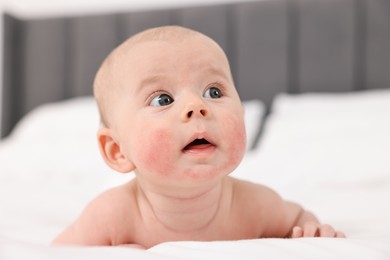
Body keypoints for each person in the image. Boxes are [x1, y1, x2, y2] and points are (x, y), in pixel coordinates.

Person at [52, 25, 345, 248]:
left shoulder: (256, 206)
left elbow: (300, 220)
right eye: (162, 99)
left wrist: (311, 232)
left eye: (213, 92)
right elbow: (58, 252)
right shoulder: (111, 216)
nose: (197, 106)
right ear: (117, 150)